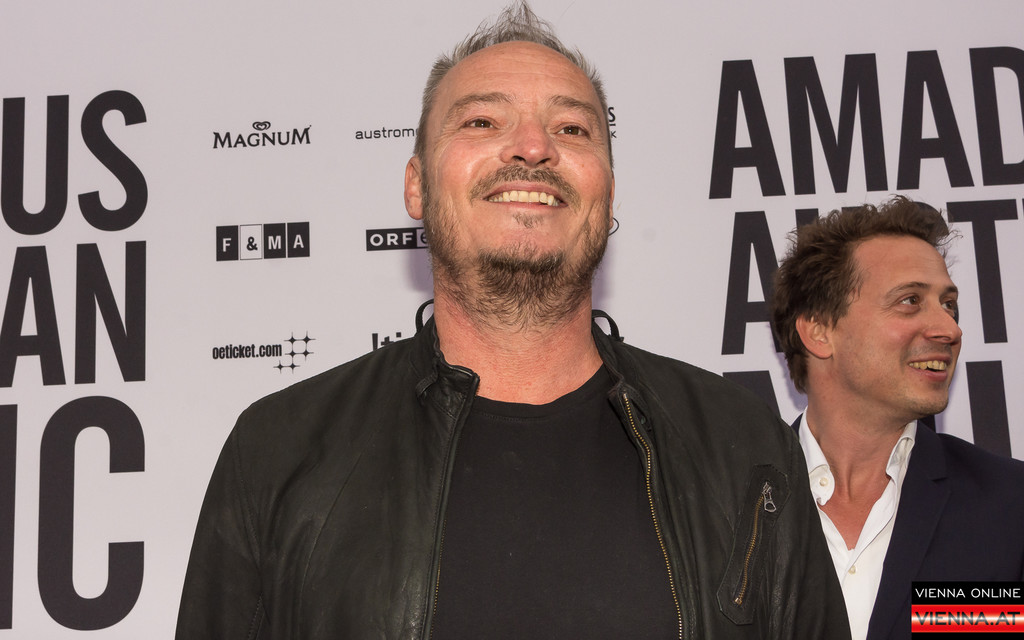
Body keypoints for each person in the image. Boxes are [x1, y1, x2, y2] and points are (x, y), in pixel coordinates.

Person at [176, 3, 848, 638]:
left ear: (609, 191)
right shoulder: (281, 450)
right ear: (416, 185)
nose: (532, 147)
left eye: (572, 129)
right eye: (481, 122)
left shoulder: (743, 446)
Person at [771, 196, 1024, 640]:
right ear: (819, 331)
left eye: (949, 305)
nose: (950, 329)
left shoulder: (1008, 507)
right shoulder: (728, 507)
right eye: (910, 301)